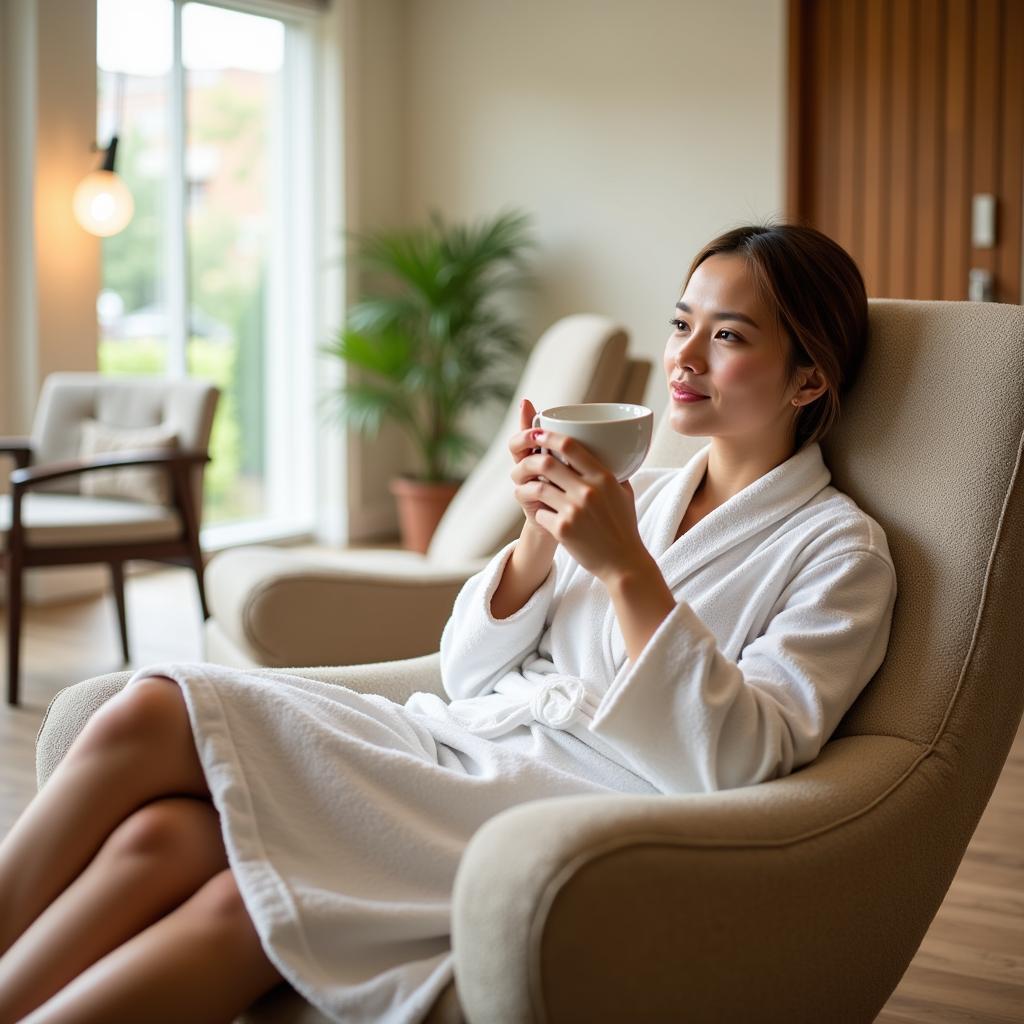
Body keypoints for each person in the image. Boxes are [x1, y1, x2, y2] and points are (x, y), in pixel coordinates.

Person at [0, 223, 897, 1024]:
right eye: (680, 323)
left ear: (808, 376)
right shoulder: (644, 494)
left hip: (564, 808)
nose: (684, 358)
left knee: (244, 905)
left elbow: (738, 762)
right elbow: (466, 675)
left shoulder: (839, 553)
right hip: (457, 741)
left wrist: (627, 570)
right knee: (158, 772)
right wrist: (540, 541)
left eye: (729, 336)